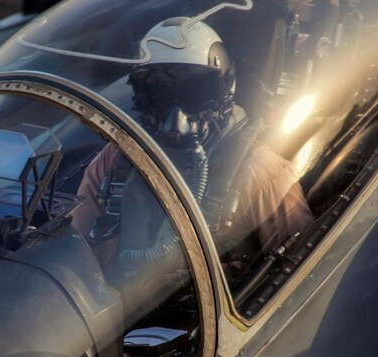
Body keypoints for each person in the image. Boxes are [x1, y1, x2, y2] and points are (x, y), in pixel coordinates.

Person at [75, 17, 312, 287]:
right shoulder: (116, 160)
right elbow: (75, 251)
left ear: (224, 91)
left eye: (194, 92)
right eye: (160, 93)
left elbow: (303, 277)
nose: (176, 116)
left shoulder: (262, 172)